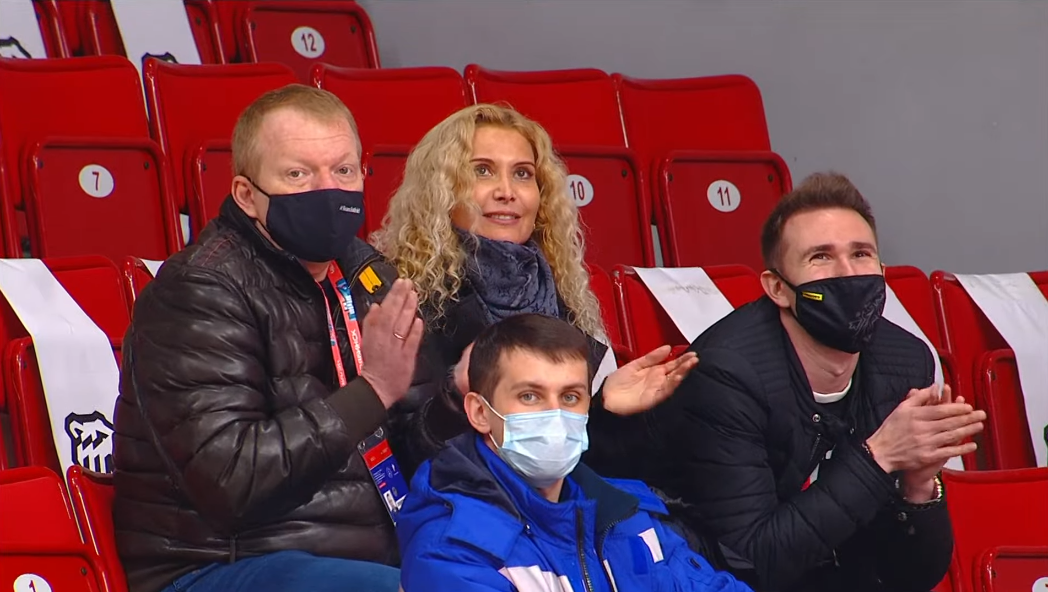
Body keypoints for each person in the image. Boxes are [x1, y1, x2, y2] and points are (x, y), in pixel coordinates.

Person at [595, 172, 986, 592]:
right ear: (778, 288)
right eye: (821, 257)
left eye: (861, 254)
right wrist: (878, 458)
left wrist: (919, 487)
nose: (847, 274)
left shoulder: (905, 362)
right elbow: (753, 561)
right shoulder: (727, 373)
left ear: (882, 270)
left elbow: (909, 577)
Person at [112, 85, 421, 592]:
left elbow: (413, 447)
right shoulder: (200, 289)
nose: (328, 191)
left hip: (364, 555)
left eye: (343, 171)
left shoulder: (368, 276)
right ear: (246, 195)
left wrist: (452, 399)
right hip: (222, 562)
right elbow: (231, 480)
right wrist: (372, 392)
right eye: (298, 174)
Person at [373, 103, 696, 477]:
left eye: (522, 174)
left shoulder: (560, 292)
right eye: (482, 171)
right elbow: (398, 461)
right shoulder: (408, 297)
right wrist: (456, 393)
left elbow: (564, 462)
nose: (507, 191)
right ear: (441, 190)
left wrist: (604, 409)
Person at [397, 313, 753, 592]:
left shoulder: (624, 513)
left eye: (570, 397)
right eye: (530, 396)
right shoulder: (451, 548)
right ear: (479, 412)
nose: (555, 415)